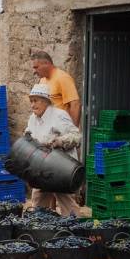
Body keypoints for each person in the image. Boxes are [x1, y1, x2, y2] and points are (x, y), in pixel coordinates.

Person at [24, 83, 81, 216]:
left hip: (61, 166)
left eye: (36, 101)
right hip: (42, 167)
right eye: (31, 101)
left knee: (66, 201)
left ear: (45, 101)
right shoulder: (33, 119)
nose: (32, 105)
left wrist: (61, 141)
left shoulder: (59, 116)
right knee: (38, 202)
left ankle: (76, 229)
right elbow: (29, 134)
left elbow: (76, 136)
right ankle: (40, 228)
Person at [31, 51, 81, 127]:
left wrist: (72, 131)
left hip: (60, 128)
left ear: (46, 63)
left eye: (36, 67)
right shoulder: (42, 80)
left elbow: (75, 105)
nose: (34, 72)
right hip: (47, 128)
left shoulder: (63, 78)